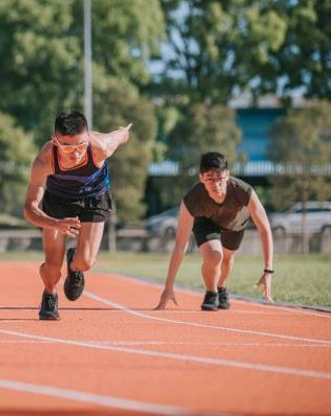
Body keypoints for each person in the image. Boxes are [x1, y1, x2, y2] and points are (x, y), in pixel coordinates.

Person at [24, 110, 131, 320]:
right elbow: (29, 208)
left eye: (81, 145)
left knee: (86, 263)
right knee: (52, 269)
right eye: (66, 147)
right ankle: (50, 293)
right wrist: (55, 223)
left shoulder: (100, 147)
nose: (75, 153)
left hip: (94, 197)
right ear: (55, 141)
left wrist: (123, 131)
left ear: (88, 136)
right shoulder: (45, 161)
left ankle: (74, 264)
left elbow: (120, 136)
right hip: (57, 201)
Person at [155, 152, 274, 311]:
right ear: (201, 177)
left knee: (227, 257)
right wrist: (168, 286)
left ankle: (221, 287)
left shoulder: (244, 191)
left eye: (220, 178)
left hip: (235, 223)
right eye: (210, 179)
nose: (216, 184)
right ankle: (211, 292)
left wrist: (268, 271)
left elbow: (264, 229)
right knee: (214, 256)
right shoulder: (192, 199)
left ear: (228, 174)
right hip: (206, 221)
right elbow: (180, 244)